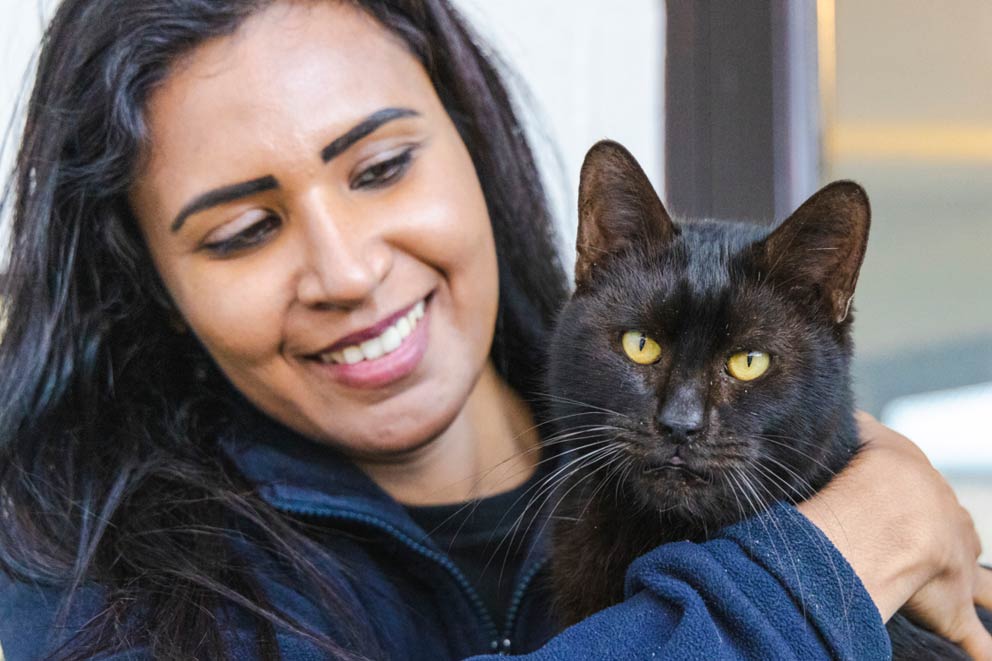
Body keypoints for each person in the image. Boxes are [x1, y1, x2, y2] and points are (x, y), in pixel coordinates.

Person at [0, 1, 989, 659]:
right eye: (245, 230)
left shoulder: (834, 481)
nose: (346, 271)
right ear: (155, 284)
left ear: (473, 143)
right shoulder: (82, 577)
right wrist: (818, 569)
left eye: (381, 167)